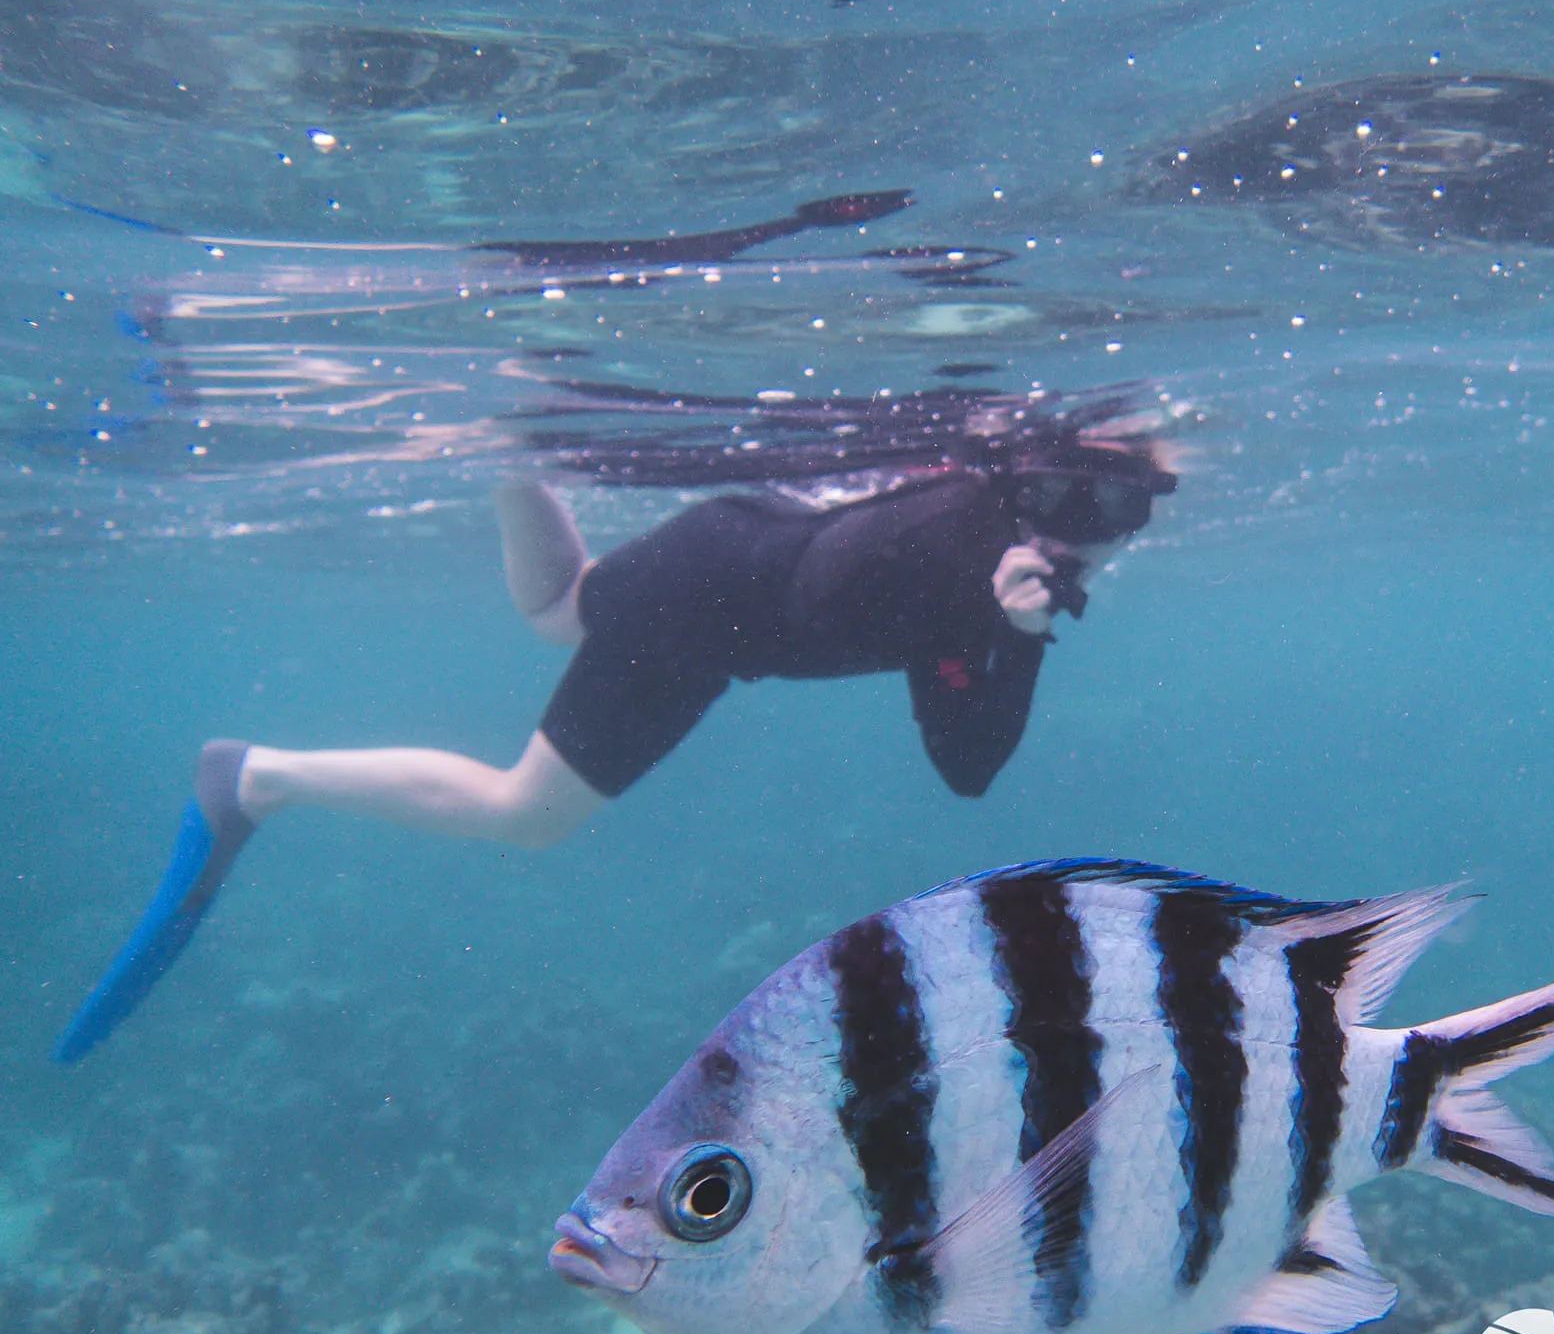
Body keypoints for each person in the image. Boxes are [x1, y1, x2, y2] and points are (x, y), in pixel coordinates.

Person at [56, 419, 1176, 1062]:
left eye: (1118, 508)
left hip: (724, 545)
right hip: (706, 609)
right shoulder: (963, 568)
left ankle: (506, 447)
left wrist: (998, 617)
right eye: (1060, 495)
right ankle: (255, 780)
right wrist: (1006, 631)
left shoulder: (978, 519)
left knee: (562, 609)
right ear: (1016, 477)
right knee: (525, 814)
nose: (1080, 530)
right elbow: (966, 769)